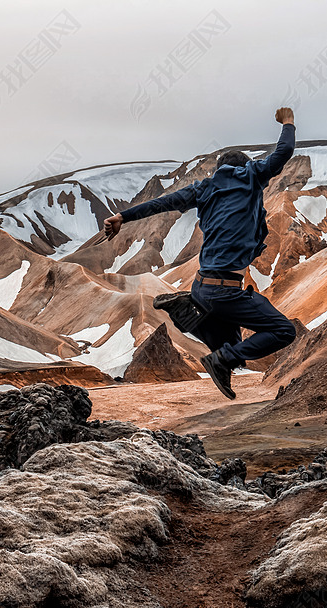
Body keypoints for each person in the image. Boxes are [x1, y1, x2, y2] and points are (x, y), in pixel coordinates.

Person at [102, 107, 298, 399]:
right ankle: (218, 353)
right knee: (283, 332)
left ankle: (194, 312)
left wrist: (122, 216)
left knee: (230, 343)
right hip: (226, 293)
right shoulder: (251, 177)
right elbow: (283, 153)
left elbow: (162, 203)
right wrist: (288, 122)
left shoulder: (203, 189)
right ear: (244, 168)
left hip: (203, 285)